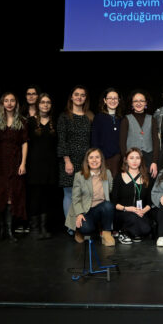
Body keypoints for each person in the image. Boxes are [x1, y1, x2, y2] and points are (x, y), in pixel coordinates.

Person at [0, 92, 28, 240]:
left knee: (12, 195)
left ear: (16, 103)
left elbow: (25, 142)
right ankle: (0, 231)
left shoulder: (22, 121)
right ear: (2, 103)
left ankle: (10, 230)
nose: (9, 103)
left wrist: (23, 163)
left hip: (15, 161)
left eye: (12, 100)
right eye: (6, 100)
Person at [58, 86, 93, 233]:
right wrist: (67, 161)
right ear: (71, 97)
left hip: (85, 160)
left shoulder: (90, 116)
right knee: (69, 193)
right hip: (69, 160)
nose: (79, 97)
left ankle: (81, 224)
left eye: (82, 95)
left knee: (84, 193)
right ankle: (71, 227)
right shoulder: (64, 116)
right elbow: (62, 140)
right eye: (76, 95)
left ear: (85, 98)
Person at [65, 148, 115, 246]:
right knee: (87, 229)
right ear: (87, 161)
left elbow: (110, 190)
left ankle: (106, 233)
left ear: (101, 160)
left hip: (100, 208)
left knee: (108, 206)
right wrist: (79, 214)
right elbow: (75, 198)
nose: (94, 160)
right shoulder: (79, 176)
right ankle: (79, 231)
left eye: (97, 157)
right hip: (84, 210)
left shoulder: (107, 173)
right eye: (91, 157)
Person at [25, 93, 57, 239]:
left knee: (46, 197)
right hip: (34, 166)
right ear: (37, 105)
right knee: (35, 197)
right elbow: (25, 144)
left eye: (48, 102)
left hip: (50, 166)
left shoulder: (54, 122)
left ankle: (44, 227)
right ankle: (34, 228)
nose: (45, 105)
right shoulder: (30, 122)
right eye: (42, 102)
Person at [112, 148, 153, 244]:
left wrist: (143, 210)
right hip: (123, 211)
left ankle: (132, 232)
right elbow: (114, 203)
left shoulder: (147, 177)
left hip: (140, 212)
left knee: (146, 228)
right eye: (131, 158)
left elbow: (150, 202)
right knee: (132, 218)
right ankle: (123, 232)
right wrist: (128, 208)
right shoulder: (119, 177)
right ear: (126, 160)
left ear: (141, 160)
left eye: (137, 158)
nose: (135, 161)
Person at [119, 89, 157, 178]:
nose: (138, 103)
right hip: (131, 159)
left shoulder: (152, 119)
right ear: (132, 104)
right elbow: (122, 143)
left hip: (148, 159)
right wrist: (126, 161)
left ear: (146, 103)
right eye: (135, 101)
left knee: (147, 186)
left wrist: (154, 161)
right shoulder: (126, 120)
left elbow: (156, 142)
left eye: (141, 101)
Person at [91, 88, 123, 177]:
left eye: (115, 98)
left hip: (118, 159)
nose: (113, 100)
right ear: (105, 100)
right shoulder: (99, 118)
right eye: (110, 98)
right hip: (103, 158)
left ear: (119, 101)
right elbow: (94, 140)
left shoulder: (121, 119)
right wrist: (97, 158)